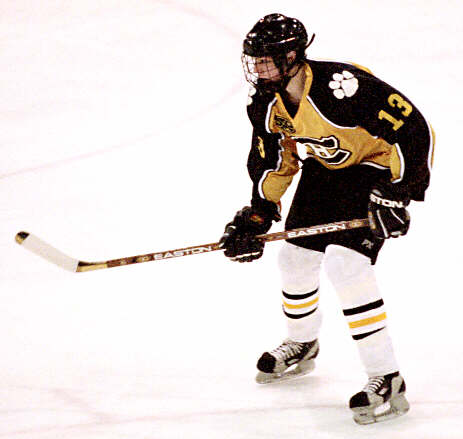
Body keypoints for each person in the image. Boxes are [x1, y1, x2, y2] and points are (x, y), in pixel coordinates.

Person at [219, 13, 435, 425]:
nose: (257, 69)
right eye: (254, 60)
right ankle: (301, 344)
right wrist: (260, 212)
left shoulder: (342, 86)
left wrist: (400, 191)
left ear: (292, 57)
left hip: (374, 169)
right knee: (293, 259)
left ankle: (387, 376)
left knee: (347, 265)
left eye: (265, 60)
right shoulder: (266, 103)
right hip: (327, 169)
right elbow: (274, 159)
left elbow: (413, 129)